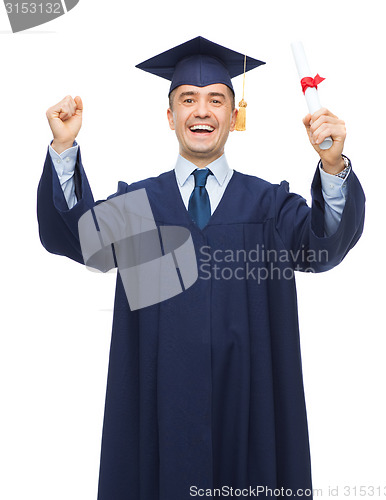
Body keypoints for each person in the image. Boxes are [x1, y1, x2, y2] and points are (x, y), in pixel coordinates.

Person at [37, 36, 365, 500]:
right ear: (170, 117)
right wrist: (64, 150)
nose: (202, 111)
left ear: (235, 115)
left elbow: (324, 243)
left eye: (216, 99)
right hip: (160, 412)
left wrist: (333, 166)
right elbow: (77, 235)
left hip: (249, 413)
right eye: (187, 99)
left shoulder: (269, 206)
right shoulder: (141, 206)